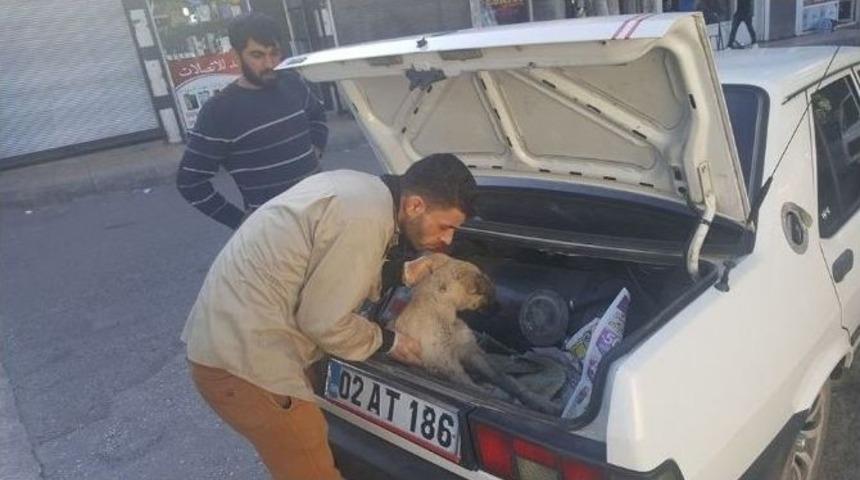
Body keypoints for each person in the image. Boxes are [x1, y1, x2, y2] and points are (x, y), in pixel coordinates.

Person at [181, 153, 477, 480]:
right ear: (415, 206)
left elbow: (328, 265)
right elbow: (325, 324)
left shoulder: (361, 191)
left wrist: (400, 274)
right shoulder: (363, 220)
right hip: (246, 365)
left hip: (230, 340)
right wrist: (389, 342)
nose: (448, 240)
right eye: (445, 226)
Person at [176, 13, 328, 230]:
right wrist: (240, 222)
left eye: (274, 53)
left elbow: (317, 114)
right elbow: (190, 182)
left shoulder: (291, 82)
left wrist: (316, 148)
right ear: (236, 56)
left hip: (324, 212)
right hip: (276, 232)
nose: (269, 63)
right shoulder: (219, 112)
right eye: (257, 55)